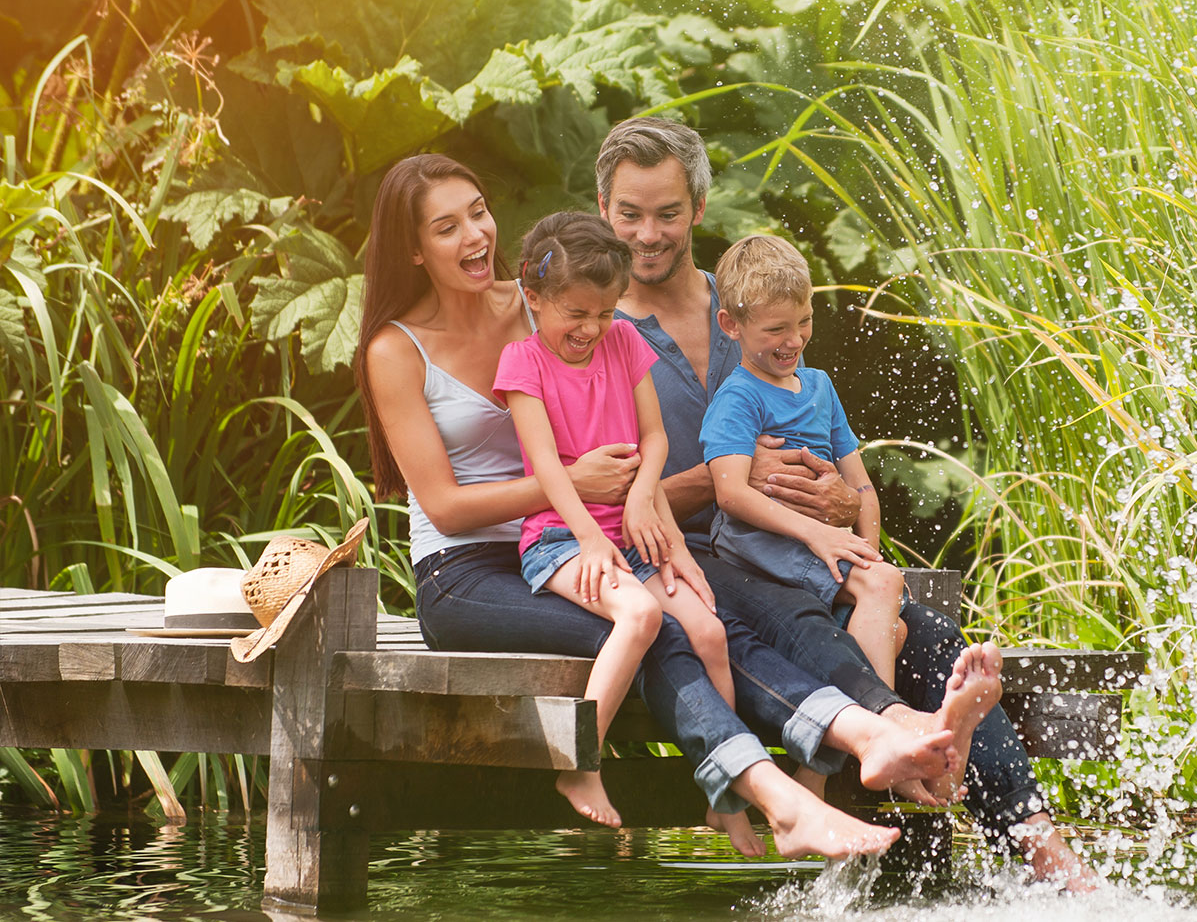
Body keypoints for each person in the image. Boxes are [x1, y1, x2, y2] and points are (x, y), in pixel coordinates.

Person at [353, 154, 997, 861]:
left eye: (478, 211)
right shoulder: (396, 348)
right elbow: (444, 507)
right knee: (658, 627)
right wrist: (580, 484)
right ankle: (783, 799)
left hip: (596, 534)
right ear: (413, 248)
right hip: (469, 572)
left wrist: (660, 514)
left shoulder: (547, 296)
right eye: (446, 227)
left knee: (719, 614)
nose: (475, 234)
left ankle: (881, 727)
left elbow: (630, 406)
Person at [597, 117, 1100, 890]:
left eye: (667, 212)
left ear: (698, 206)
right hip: (683, 561)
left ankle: (1048, 856)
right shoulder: (594, 333)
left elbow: (818, 442)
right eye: (630, 214)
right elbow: (603, 496)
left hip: (789, 546)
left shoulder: (755, 298)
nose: (648, 234)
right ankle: (900, 748)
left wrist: (837, 497)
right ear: (603, 209)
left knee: (929, 634)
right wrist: (725, 479)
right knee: (809, 625)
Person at [494, 210, 732, 829]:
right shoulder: (523, 363)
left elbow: (654, 439)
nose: (591, 328)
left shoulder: (624, 341)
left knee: (709, 633)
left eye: (604, 312)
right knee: (642, 614)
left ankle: (724, 786)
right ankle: (579, 762)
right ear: (534, 296)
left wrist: (640, 497)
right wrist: (590, 538)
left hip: (628, 532)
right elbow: (549, 469)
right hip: (560, 538)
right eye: (576, 312)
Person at [704, 234, 906, 686]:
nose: (794, 340)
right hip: (761, 545)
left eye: (805, 321)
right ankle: (884, 718)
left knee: (894, 625)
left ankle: (844, 726)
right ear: (731, 325)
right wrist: (820, 535)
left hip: (816, 543)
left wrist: (868, 550)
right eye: (775, 329)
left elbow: (861, 486)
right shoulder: (739, 397)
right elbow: (730, 494)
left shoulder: (820, 387)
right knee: (883, 585)